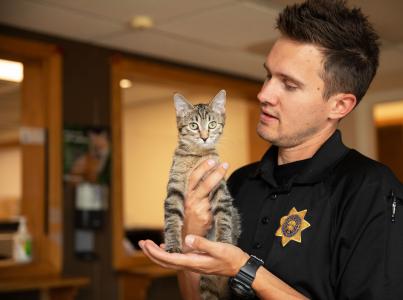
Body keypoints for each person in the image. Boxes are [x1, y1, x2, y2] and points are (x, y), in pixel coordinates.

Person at [139, 0, 403, 299]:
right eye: (268, 75)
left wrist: (244, 268)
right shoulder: (239, 182)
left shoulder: (371, 190)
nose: (264, 94)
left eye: (288, 84)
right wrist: (193, 233)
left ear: (339, 104)